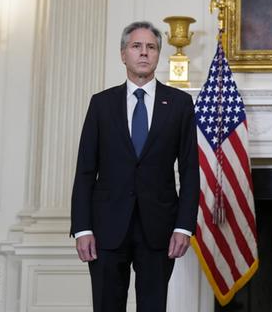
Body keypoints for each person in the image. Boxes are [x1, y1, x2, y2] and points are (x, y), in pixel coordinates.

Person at [70, 21, 199, 312]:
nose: (144, 53)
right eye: (136, 46)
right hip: (106, 228)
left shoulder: (179, 104)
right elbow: (85, 170)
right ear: (123, 54)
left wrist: (184, 226)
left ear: (158, 55)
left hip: (159, 228)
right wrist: (82, 228)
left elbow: (190, 170)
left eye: (151, 47)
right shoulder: (101, 104)